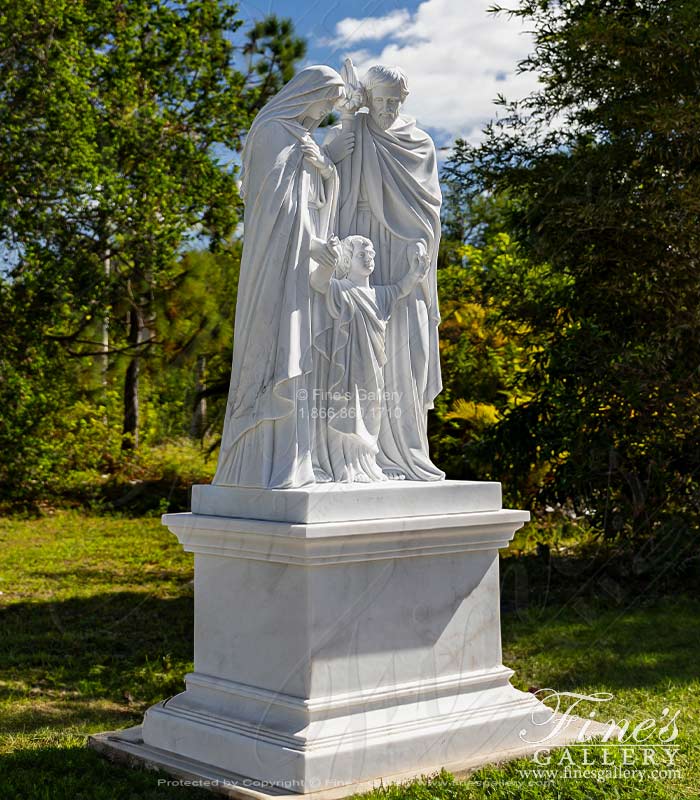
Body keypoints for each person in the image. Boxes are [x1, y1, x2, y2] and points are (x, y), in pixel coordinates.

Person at [213, 66, 345, 488]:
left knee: (298, 355)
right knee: (274, 349)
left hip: (300, 269)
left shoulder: (303, 140)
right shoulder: (273, 132)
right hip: (276, 266)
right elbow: (275, 209)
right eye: (327, 100)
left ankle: (293, 462)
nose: (326, 112)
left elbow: (311, 203)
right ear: (308, 92)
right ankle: (259, 463)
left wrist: (327, 174)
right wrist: (311, 244)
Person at [324, 64, 444, 481]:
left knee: (406, 352)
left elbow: (429, 209)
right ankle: (357, 456)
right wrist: (342, 129)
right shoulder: (354, 131)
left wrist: (421, 250)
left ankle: (405, 454)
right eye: (382, 100)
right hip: (358, 249)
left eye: (396, 101)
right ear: (368, 98)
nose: (389, 108)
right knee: (355, 353)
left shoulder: (420, 143)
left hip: (401, 255)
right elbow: (323, 179)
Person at [311, 235, 431, 483]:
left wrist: (417, 271)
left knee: (371, 411)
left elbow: (401, 289)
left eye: (371, 254)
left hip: (373, 367)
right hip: (347, 367)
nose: (369, 259)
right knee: (347, 410)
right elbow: (318, 282)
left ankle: (367, 465)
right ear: (348, 260)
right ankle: (346, 467)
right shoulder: (341, 288)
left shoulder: (380, 294)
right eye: (361, 255)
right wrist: (329, 261)